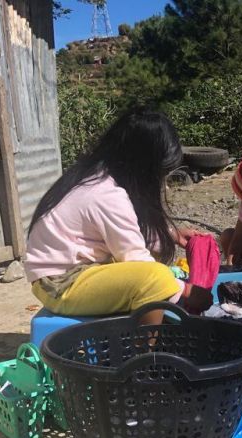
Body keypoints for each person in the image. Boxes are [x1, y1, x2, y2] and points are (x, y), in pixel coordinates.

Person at [24, 108, 212, 325]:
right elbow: (136, 259)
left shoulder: (97, 177)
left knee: (155, 270)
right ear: (143, 167)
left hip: (66, 275)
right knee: (156, 278)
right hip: (60, 283)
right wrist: (186, 291)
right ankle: (146, 345)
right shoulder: (106, 195)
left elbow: (129, 231)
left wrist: (171, 234)